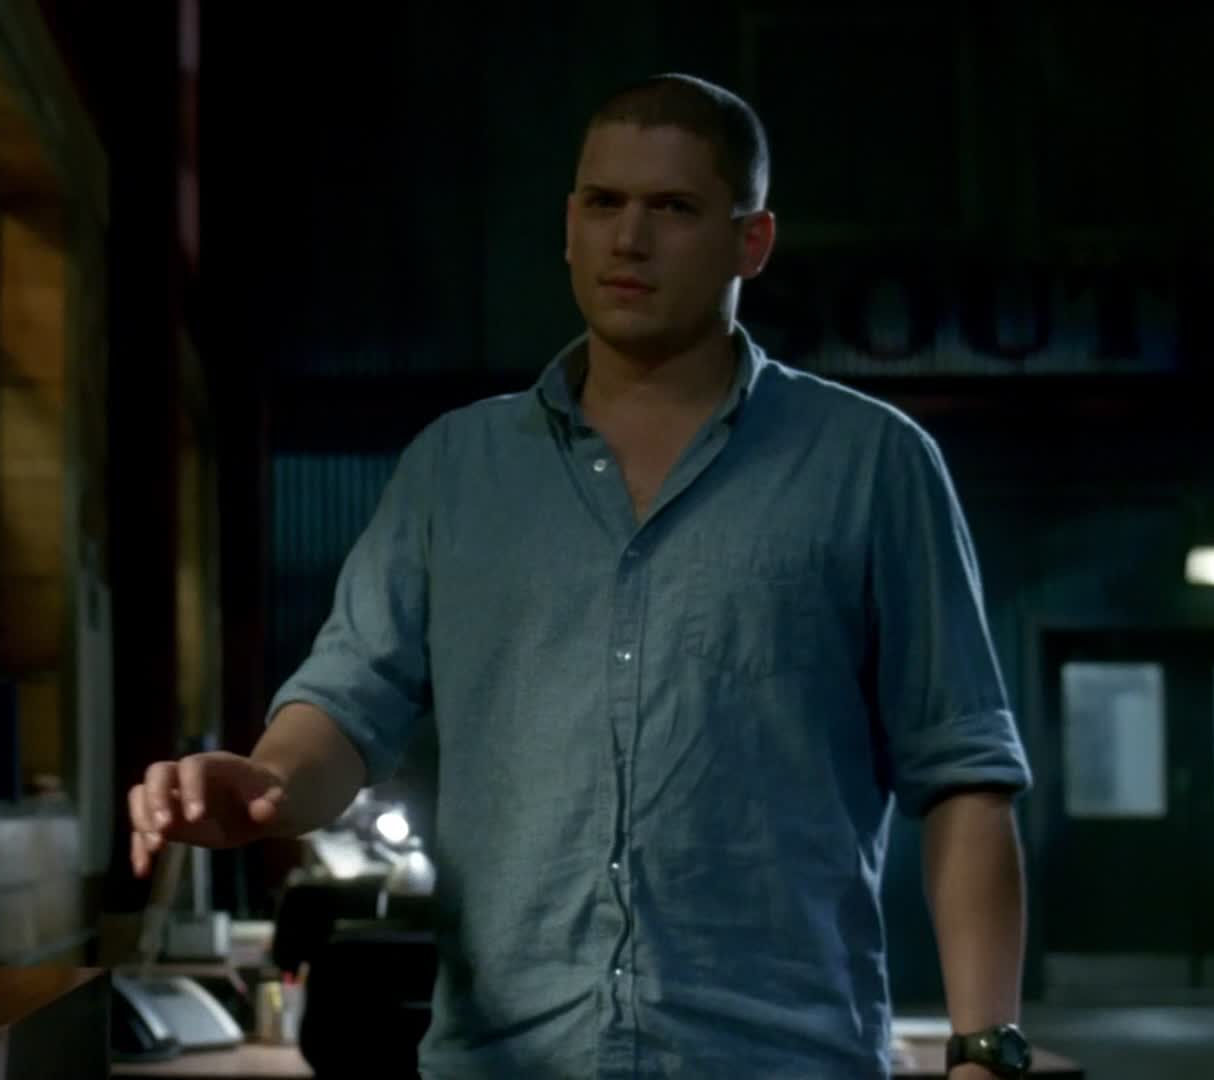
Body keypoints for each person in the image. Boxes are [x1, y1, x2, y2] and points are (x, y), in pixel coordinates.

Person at [127, 73, 1034, 1079]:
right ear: (569, 225)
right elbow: (344, 706)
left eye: (673, 208)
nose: (628, 240)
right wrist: (266, 784)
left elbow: (964, 777)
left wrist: (984, 1051)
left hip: (780, 1057)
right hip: (506, 1062)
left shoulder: (869, 465)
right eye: (604, 202)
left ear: (752, 242)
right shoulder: (455, 470)